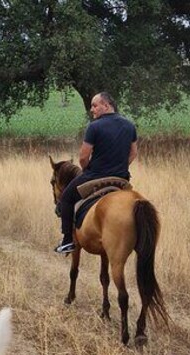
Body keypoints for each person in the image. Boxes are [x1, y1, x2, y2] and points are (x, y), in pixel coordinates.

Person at [54, 92, 138, 254]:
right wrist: (119, 167)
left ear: (106, 106)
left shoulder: (94, 126)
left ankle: (67, 241)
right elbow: (133, 153)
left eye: (95, 105)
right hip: (121, 178)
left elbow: (83, 157)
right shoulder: (129, 125)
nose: (92, 110)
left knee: (66, 198)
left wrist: (87, 171)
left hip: (95, 176)